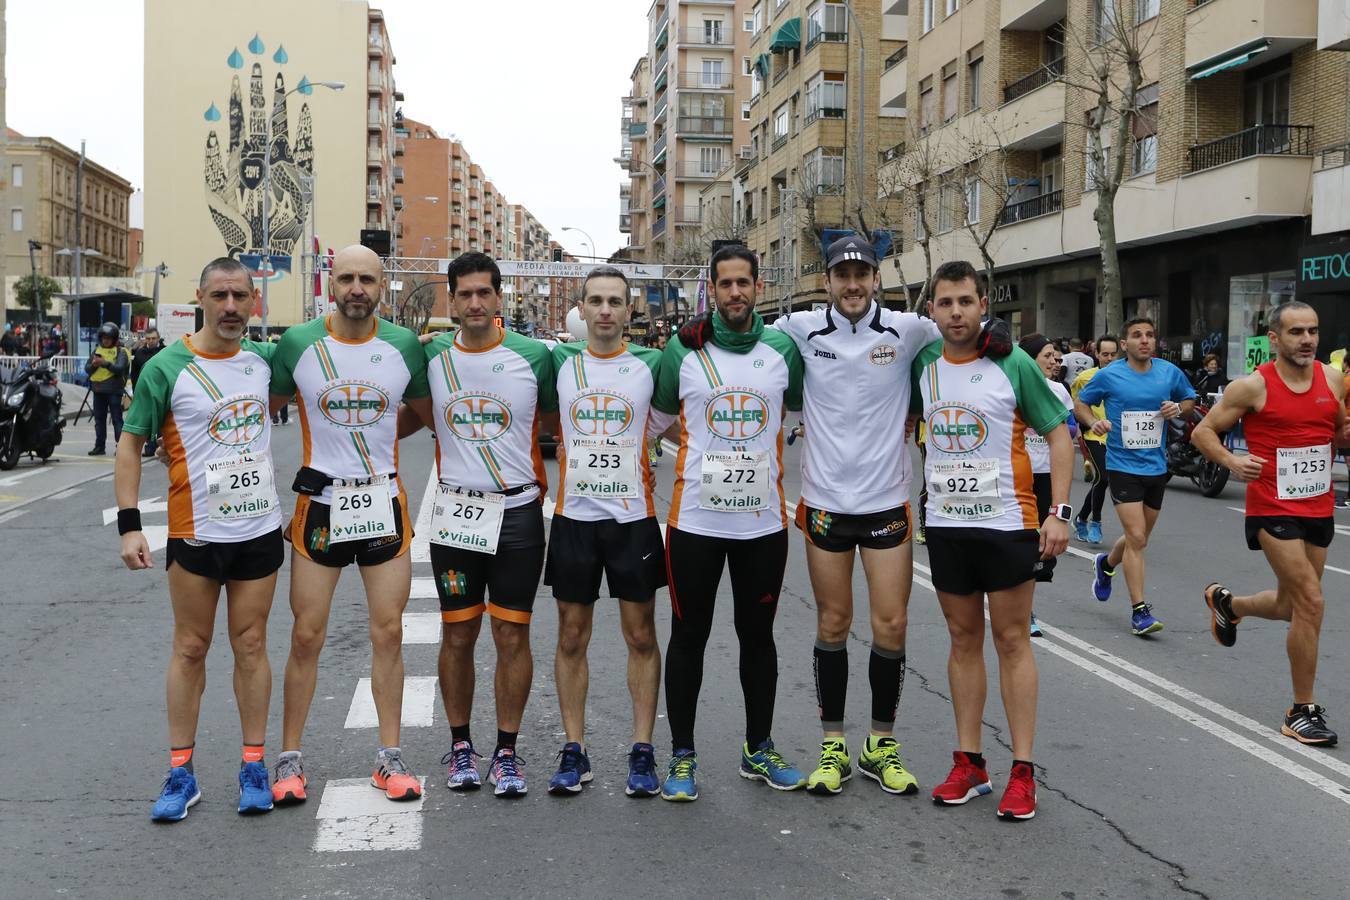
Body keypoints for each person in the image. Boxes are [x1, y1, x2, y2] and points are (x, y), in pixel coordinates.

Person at [768, 235, 940, 797]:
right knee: (832, 624)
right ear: (828, 278)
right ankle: (833, 746)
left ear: (875, 276)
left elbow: (961, 341)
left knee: (891, 625)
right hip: (823, 505)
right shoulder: (801, 328)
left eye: (861, 273)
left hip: (885, 503)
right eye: (842, 274)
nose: (852, 283)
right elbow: (745, 341)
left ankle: (880, 744)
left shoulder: (907, 329)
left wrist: (1000, 342)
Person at [115, 257, 284, 821]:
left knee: (252, 644)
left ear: (255, 301)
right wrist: (130, 524)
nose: (231, 307)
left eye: (241, 296)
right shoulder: (167, 366)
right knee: (190, 647)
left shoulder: (263, 363)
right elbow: (131, 442)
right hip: (194, 532)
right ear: (201, 299)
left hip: (258, 529)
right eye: (220, 296)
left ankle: (254, 764)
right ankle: (181, 773)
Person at [267, 245, 434, 806]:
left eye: (367, 278)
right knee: (306, 635)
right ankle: (288, 760)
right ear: (329, 284)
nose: (356, 288)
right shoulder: (298, 343)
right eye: (346, 279)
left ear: (382, 285)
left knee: (389, 633)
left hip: (383, 504)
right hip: (320, 508)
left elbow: (423, 414)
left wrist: (380, 441)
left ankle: (389, 758)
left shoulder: (403, 345)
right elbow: (266, 405)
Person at [916, 261, 1072, 821]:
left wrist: (1059, 513)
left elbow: (1060, 432)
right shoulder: (924, 364)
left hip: (1008, 523)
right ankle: (971, 764)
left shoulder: (1013, 362)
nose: (955, 312)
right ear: (931, 310)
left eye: (965, 301)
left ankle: (1023, 771)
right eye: (944, 303)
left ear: (984, 304)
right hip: (947, 527)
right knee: (962, 639)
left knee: (1010, 640)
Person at [654, 245, 806, 801]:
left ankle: (757, 747)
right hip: (694, 521)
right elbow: (658, 419)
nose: (735, 293)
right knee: (688, 637)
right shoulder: (682, 350)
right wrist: (698, 447)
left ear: (758, 287)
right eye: (726, 284)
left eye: (744, 283)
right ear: (712, 290)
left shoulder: (783, 348)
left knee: (757, 637)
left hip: (762, 526)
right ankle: (683, 757)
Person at [408, 252, 558, 798]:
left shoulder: (534, 356)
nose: (474, 302)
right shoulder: (431, 360)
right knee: (458, 631)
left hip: (517, 512)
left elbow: (557, 421)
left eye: (484, 293)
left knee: (511, 631)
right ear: (452, 300)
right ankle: (462, 746)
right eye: (464, 293)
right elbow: (403, 418)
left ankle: (508, 754)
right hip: (457, 513)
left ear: (499, 299)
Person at [542, 266, 669, 798]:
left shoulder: (652, 364)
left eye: (615, 301)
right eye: (596, 301)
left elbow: (677, 418)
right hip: (574, 519)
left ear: (629, 309)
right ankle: (575, 749)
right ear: (581, 308)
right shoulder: (559, 362)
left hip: (633, 520)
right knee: (572, 636)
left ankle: (642, 750)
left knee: (640, 636)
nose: (606, 311)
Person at [1193, 302, 1344, 746]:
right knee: (1312, 603)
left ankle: (1229, 606)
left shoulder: (1331, 378)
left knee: (1290, 606)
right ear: (1274, 339)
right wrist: (1230, 460)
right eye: (1296, 332)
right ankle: (1301, 710)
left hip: (1318, 505)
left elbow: (1336, 429)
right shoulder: (1253, 387)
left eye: (1313, 331)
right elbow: (1204, 431)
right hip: (1272, 506)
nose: (1307, 339)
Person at [1075, 318, 1196, 635]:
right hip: (1122, 466)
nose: (1144, 340)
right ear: (1125, 344)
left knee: (1137, 538)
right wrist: (1092, 423)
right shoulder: (1110, 375)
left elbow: (1188, 399)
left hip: (1156, 467)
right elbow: (1081, 404)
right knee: (1138, 538)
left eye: (1150, 335)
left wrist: (1177, 409)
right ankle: (1139, 611)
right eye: (1136, 335)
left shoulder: (1168, 372)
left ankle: (1106, 564)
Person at [1018, 334, 1079, 638]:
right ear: (1029, 359)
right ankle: (1019, 608)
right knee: (1019, 542)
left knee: (1039, 548)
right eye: (1047, 356)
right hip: (1018, 474)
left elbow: (1069, 429)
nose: (1054, 361)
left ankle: (1025, 608)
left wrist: (1062, 425)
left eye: (1056, 356)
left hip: (1046, 474)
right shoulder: (1011, 384)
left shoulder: (1058, 390)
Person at [1069, 335, 1120, 544]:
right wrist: (1082, 430)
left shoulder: (1125, 377)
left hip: (1117, 437)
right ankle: (1095, 522)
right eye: (1104, 354)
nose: (1109, 358)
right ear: (1096, 354)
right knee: (1104, 477)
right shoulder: (1085, 378)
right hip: (1093, 435)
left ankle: (1081, 518)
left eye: (1113, 354)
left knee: (1103, 480)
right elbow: (1076, 406)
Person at [86, 322, 131, 456]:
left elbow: (119, 369)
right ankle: (99, 446)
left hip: (114, 391)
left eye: (108, 338)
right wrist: (94, 365)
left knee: (117, 420)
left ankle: (121, 447)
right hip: (98, 390)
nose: (105, 341)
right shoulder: (97, 351)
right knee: (99, 420)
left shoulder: (121, 352)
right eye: (103, 338)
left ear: (114, 338)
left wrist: (104, 363)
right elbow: (87, 369)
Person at [131, 328, 166, 458]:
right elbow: (134, 375)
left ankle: (163, 445)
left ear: (158, 338)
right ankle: (150, 446)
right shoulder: (140, 353)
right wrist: (136, 392)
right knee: (149, 421)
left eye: (153, 338)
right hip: (146, 393)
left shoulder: (165, 352)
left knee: (162, 420)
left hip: (162, 392)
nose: (151, 341)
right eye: (148, 338)